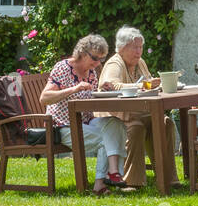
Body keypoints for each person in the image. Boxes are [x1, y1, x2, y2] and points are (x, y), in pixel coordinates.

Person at [41, 35, 129, 195]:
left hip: (85, 122)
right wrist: (73, 89)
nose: (97, 63)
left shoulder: (91, 72)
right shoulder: (63, 68)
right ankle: (104, 181)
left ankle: (110, 176)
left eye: (101, 60)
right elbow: (44, 98)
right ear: (82, 52)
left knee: (116, 124)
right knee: (107, 138)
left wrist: (102, 90)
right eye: (95, 58)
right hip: (62, 126)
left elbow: (88, 97)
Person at [96, 26, 180, 190]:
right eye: (134, 47)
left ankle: (168, 177)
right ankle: (131, 181)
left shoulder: (140, 62)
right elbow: (111, 85)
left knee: (166, 122)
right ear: (122, 48)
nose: (138, 51)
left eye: (140, 47)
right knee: (136, 128)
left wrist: (154, 84)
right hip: (116, 117)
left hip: (138, 112)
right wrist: (143, 85)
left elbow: (147, 84)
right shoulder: (115, 63)